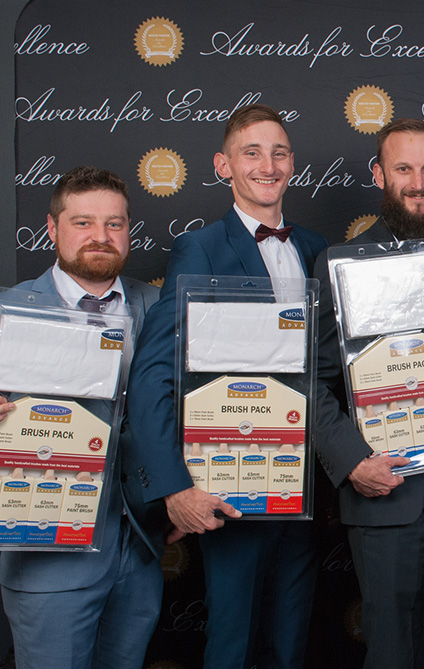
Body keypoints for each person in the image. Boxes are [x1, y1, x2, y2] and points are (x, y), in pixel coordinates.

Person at [125, 104, 329, 669]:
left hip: (308, 486)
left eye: (279, 153)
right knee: (231, 644)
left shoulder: (317, 248)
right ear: (223, 166)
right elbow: (154, 372)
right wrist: (173, 487)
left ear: (292, 164)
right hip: (232, 484)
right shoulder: (200, 247)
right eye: (251, 152)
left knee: (291, 644)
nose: (268, 165)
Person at [311, 119, 424, 669]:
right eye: (403, 169)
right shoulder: (339, 263)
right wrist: (351, 461)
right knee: (389, 652)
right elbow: (311, 381)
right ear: (379, 175)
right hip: (384, 489)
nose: (418, 182)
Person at [0, 166, 162, 668]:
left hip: (139, 548)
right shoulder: (8, 312)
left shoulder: (158, 306)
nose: (101, 236)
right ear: (52, 228)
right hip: (46, 555)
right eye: (83, 222)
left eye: (115, 224)